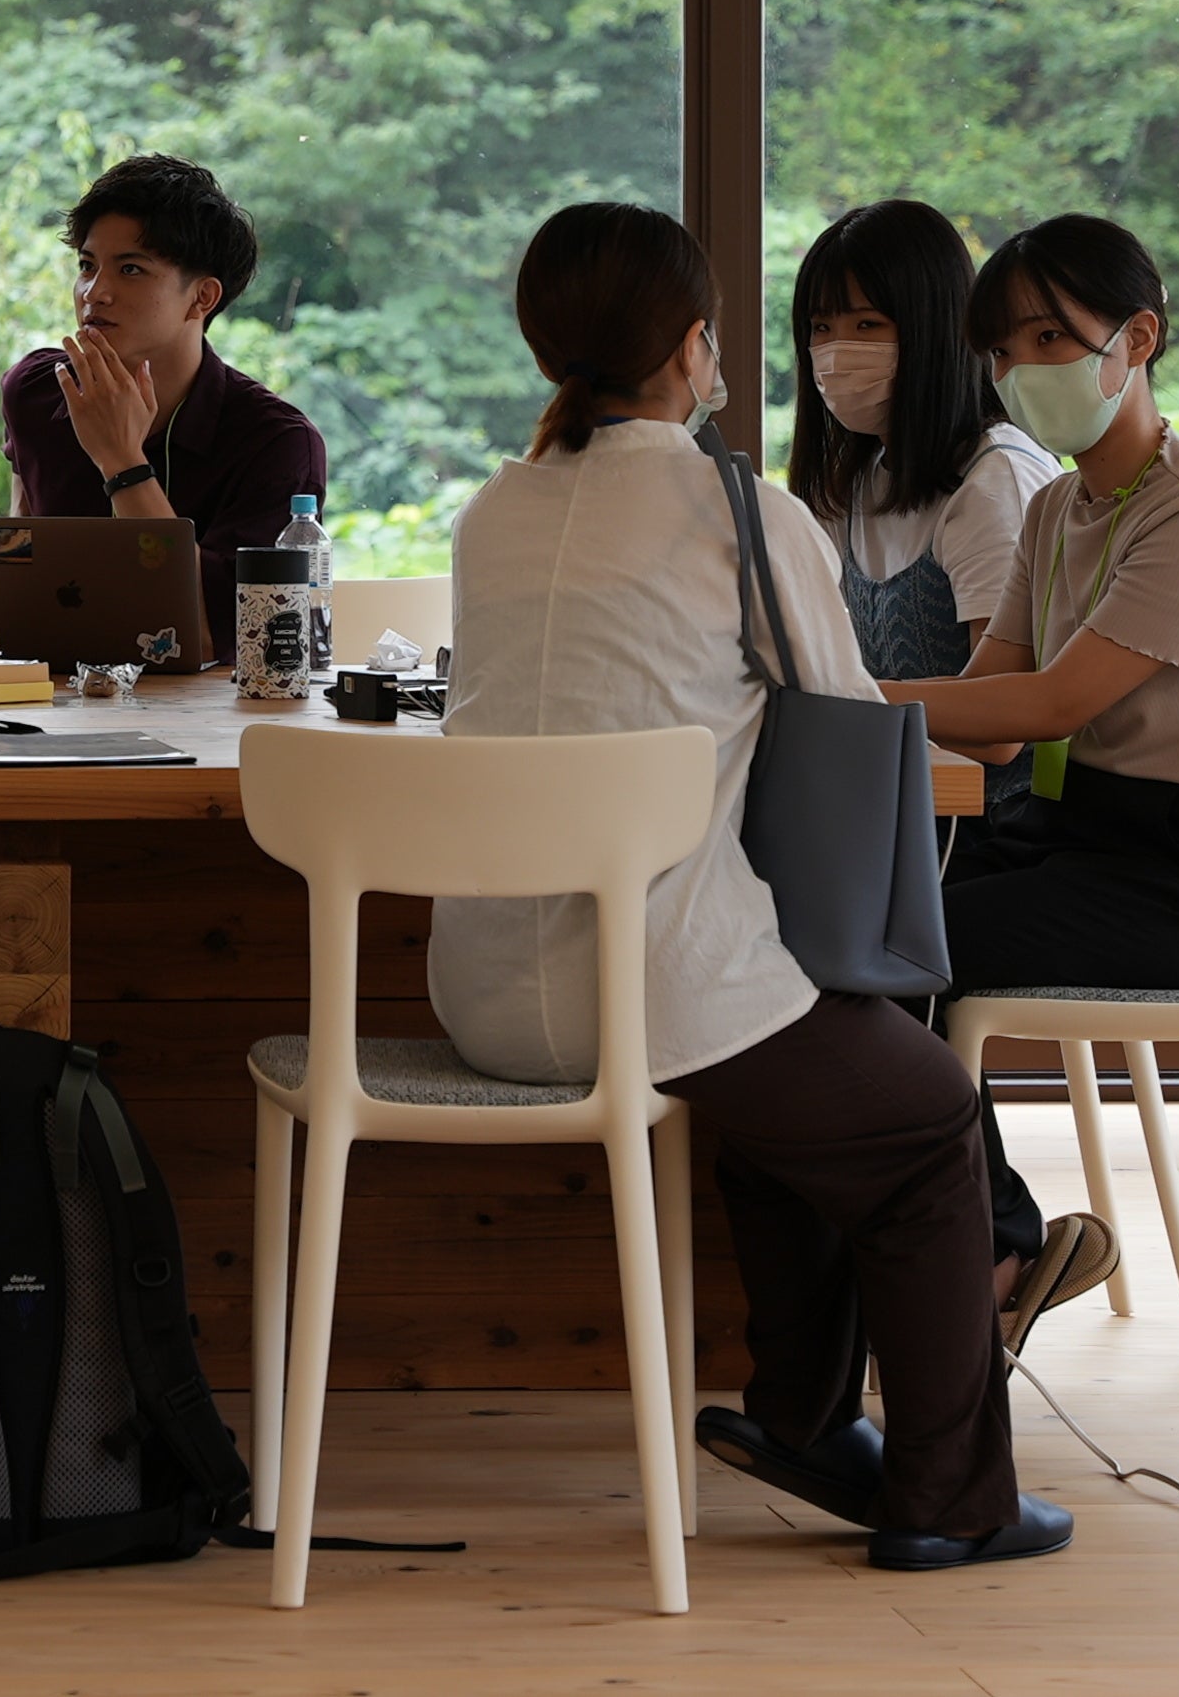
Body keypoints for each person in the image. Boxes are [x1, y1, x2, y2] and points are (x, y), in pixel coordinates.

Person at [426, 202, 1069, 1572]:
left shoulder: (493, 510)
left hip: (480, 997)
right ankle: (954, 1498)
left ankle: (805, 1423)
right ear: (691, 346)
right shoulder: (740, 510)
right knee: (926, 1118)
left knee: (803, 1094)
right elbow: (846, 718)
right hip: (654, 991)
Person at [884, 213, 1179, 1357]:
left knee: (892, 956)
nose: (1024, 371)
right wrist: (861, 695)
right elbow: (994, 716)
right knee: (849, 932)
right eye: (1003, 351)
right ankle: (967, 1255)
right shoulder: (1056, 509)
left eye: (1050, 338)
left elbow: (1051, 707)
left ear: (1138, 339)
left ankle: (988, 1258)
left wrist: (847, 692)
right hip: (1081, 843)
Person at [0, 153, 325, 642]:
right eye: (87, 265)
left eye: (130, 269)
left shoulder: (277, 443)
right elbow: (15, 564)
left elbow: (216, 633)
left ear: (202, 298)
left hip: (204, 692)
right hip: (55, 681)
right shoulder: (36, 390)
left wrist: (122, 463)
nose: (94, 293)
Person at [788, 199, 1059, 692]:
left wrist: (858, 702)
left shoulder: (995, 478)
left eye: (867, 325)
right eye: (821, 328)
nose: (835, 354)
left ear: (933, 328)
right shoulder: (857, 477)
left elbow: (1003, 711)